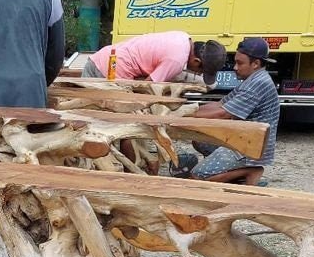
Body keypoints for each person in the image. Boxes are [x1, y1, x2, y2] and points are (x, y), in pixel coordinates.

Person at [186, 36, 280, 184]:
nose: (235, 67)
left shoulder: (257, 84)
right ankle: (233, 175)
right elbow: (220, 104)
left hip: (248, 147)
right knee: (200, 140)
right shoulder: (252, 80)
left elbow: (223, 113)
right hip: (242, 139)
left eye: (239, 63)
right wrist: (189, 109)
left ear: (255, 63)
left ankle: (250, 170)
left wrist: (183, 115)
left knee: (196, 177)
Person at [83, 32, 226, 86]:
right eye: (199, 72)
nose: (198, 74)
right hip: (109, 71)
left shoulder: (183, 37)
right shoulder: (176, 61)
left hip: (103, 58)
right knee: (121, 118)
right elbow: (147, 88)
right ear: (196, 62)